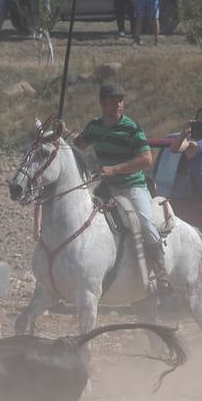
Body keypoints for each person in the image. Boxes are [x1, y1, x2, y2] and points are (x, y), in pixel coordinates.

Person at [60, 85, 166, 287]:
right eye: (113, 100)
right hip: (108, 186)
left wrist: (115, 169)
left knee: (145, 223)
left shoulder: (132, 128)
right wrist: (64, 132)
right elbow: (78, 145)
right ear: (102, 102)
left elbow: (146, 159)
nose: (118, 104)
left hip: (133, 186)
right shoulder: (94, 126)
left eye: (121, 100)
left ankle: (161, 273)